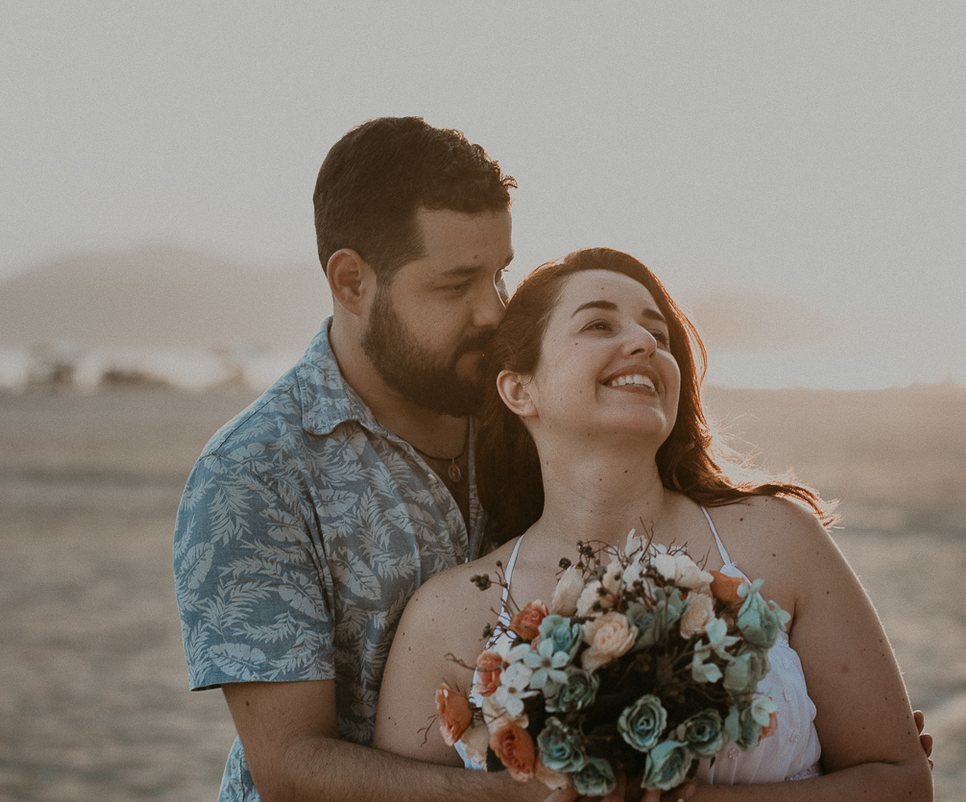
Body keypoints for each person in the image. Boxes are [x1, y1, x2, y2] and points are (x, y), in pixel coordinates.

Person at [372, 248, 934, 801]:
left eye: (659, 337)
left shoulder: (778, 540)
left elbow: (902, 781)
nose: (644, 344)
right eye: (598, 324)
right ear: (520, 389)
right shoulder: (446, 614)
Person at [173, 117, 552, 802]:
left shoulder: (523, 411)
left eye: (500, 275)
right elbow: (290, 767)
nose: (493, 313)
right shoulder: (253, 473)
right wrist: (526, 798)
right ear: (351, 282)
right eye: (455, 284)